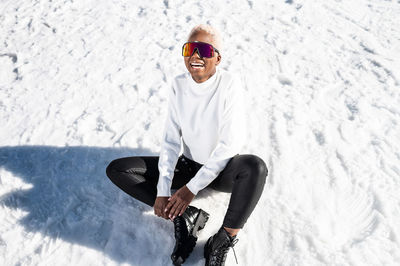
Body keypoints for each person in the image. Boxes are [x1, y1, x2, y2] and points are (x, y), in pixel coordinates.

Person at [106, 24, 268, 266]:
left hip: (223, 170)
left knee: (255, 167)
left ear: (217, 57)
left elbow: (229, 144)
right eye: (190, 49)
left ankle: (221, 241)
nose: (195, 56)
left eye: (203, 50)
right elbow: (171, 140)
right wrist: (162, 191)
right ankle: (185, 217)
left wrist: (191, 189)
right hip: (188, 166)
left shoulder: (229, 84)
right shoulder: (178, 84)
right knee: (118, 169)